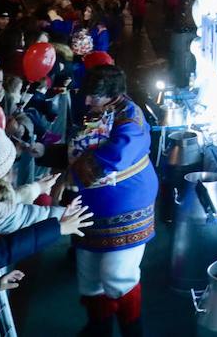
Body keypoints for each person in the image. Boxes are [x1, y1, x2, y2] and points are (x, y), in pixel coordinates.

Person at [68, 64, 156, 337]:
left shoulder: (131, 123)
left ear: (113, 94)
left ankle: (133, 331)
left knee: (119, 276)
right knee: (89, 272)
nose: (86, 101)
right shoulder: (101, 110)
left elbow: (113, 157)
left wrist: (66, 174)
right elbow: (83, 146)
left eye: (93, 96)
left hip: (127, 205)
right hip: (93, 204)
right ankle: (99, 326)